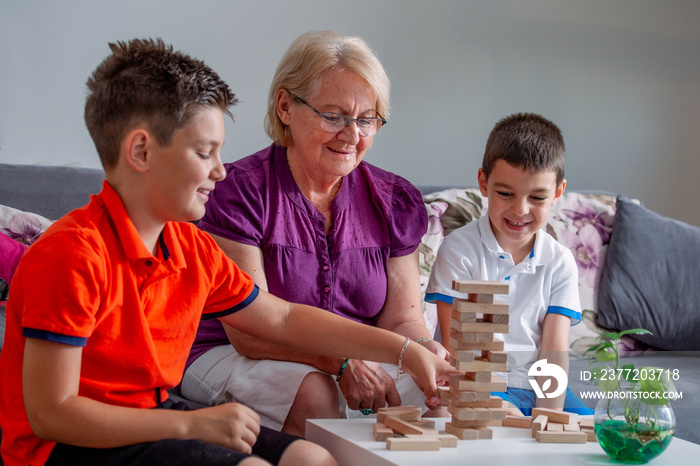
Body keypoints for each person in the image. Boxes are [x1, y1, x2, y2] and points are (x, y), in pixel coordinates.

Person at [0, 38, 455, 466]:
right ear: (140, 150)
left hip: (151, 418)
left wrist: (406, 351)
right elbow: (52, 414)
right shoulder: (71, 255)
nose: (220, 171)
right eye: (205, 152)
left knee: (311, 458)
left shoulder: (191, 249)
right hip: (67, 446)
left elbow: (282, 318)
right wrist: (187, 424)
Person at [181, 30, 448, 437]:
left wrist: (422, 349)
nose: (352, 135)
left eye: (366, 119)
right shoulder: (239, 192)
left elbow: (401, 320)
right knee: (316, 394)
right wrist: (339, 360)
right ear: (286, 106)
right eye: (334, 116)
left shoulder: (394, 201)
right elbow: (249, 331)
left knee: (443, 399)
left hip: (358, 357)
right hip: (229, 350)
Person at [425, 113, 592, 416]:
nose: (520, 209)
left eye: (537, 197)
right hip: (482, 383)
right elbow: (458, 349)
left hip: (541, 385)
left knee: (592, 435)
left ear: (557, 193)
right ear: (483, 182)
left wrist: (550, 421)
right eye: (506, 193)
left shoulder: (559, 261)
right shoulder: (460, 250)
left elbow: (553, 354)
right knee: (502, 426)